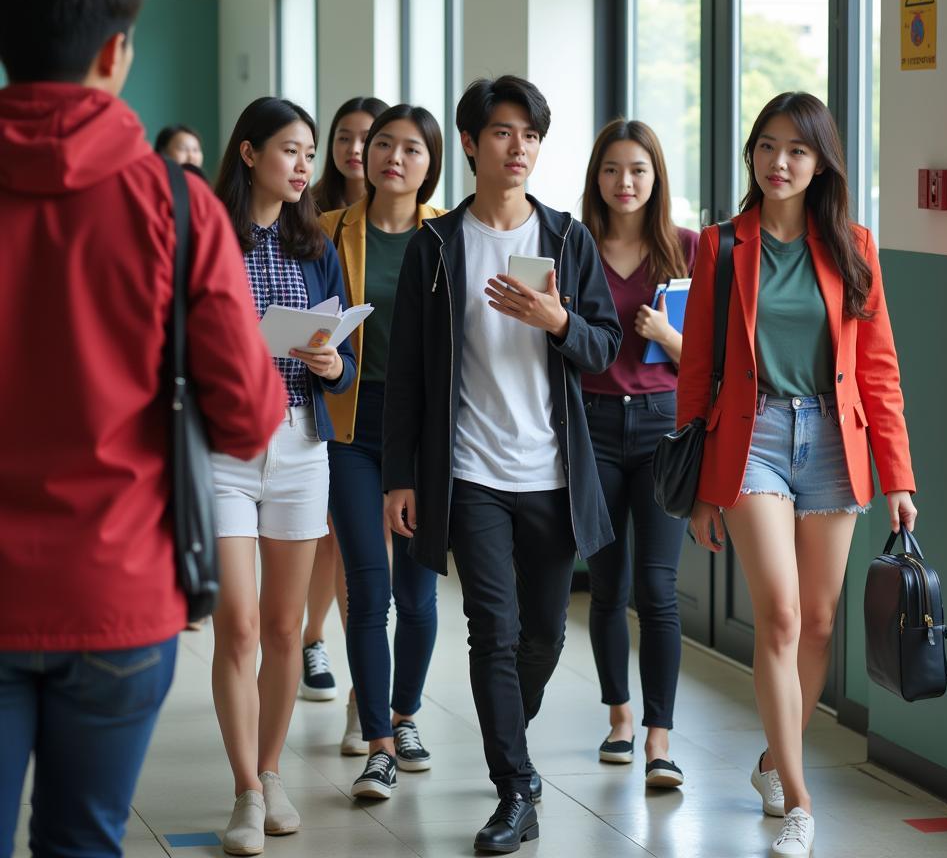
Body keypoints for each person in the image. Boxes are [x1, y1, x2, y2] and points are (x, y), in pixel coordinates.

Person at [0, 0, 283, 858]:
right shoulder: (175, 204)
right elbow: (245, 419)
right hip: (118, 592)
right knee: (84, 840)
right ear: (117, 51)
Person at [382, 76, 622, 853]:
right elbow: (409, 376)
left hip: (552, 473)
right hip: (471, 473)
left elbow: (604, 348)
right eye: (503, 133)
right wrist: (400, 476)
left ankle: (508, 739)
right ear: (472, 143)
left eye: (531, 136)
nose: (519, 149)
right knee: (494, 629)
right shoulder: (438, 245)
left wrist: (557, 320)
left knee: (545, 638)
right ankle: (515, 788)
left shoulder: (565, 239)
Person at [679, 92, 917, 858]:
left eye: (797, 151)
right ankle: (800, 799)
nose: (779, 163)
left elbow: (879, 374)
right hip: (754, 440)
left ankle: (770, 762)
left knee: (818, 622)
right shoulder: (720, 247)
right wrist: (701, 491)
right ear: (751, 154)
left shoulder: (853, 245)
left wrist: (900, 478)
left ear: (821, 163)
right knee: (779, 616)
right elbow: (696, 372)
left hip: (832, 442)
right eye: (767, 146)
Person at [210, 97, 357, 855]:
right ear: (247, 153)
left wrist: (334, 363)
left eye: (310, 153)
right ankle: (242, 790)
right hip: (223, 448)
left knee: (281, 627)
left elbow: (342, 358)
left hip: (299, 443)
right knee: (236, 623)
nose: (305, 165)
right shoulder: (206, 236)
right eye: (291, 151)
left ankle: (271, 772)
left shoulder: (315, 244)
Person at [319, 104, 445, 799]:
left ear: (430, 164)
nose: (393, 156)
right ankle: (377, 743)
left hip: (424, 430)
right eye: (382, 145)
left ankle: (407, 715)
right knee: (367, 584)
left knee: (417, 590)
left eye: (411, 149)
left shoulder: (448, 234)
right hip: (354, 421)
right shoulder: (330, 230)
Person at [579, 119, 698, 787]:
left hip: (662, 431)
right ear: (596, 178)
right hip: (591, 425)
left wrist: (667, 337)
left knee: (657, 589)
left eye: (638, 170)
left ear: (656, 179)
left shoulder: (685, 250)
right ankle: (618, 717)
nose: (625, 183)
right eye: (612, 170)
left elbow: (713, 360)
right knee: (607, 584)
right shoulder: (574, 247)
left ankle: (660, 737)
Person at [300, 95, 388, 707]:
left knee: (369, 544)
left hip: (382, 398)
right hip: (329, 393)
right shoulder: (316, 215)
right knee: (327, 536)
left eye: (370, 138)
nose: (356, 150)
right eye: (346, 138)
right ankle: (313, 638)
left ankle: (369, 688)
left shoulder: (413, 219)